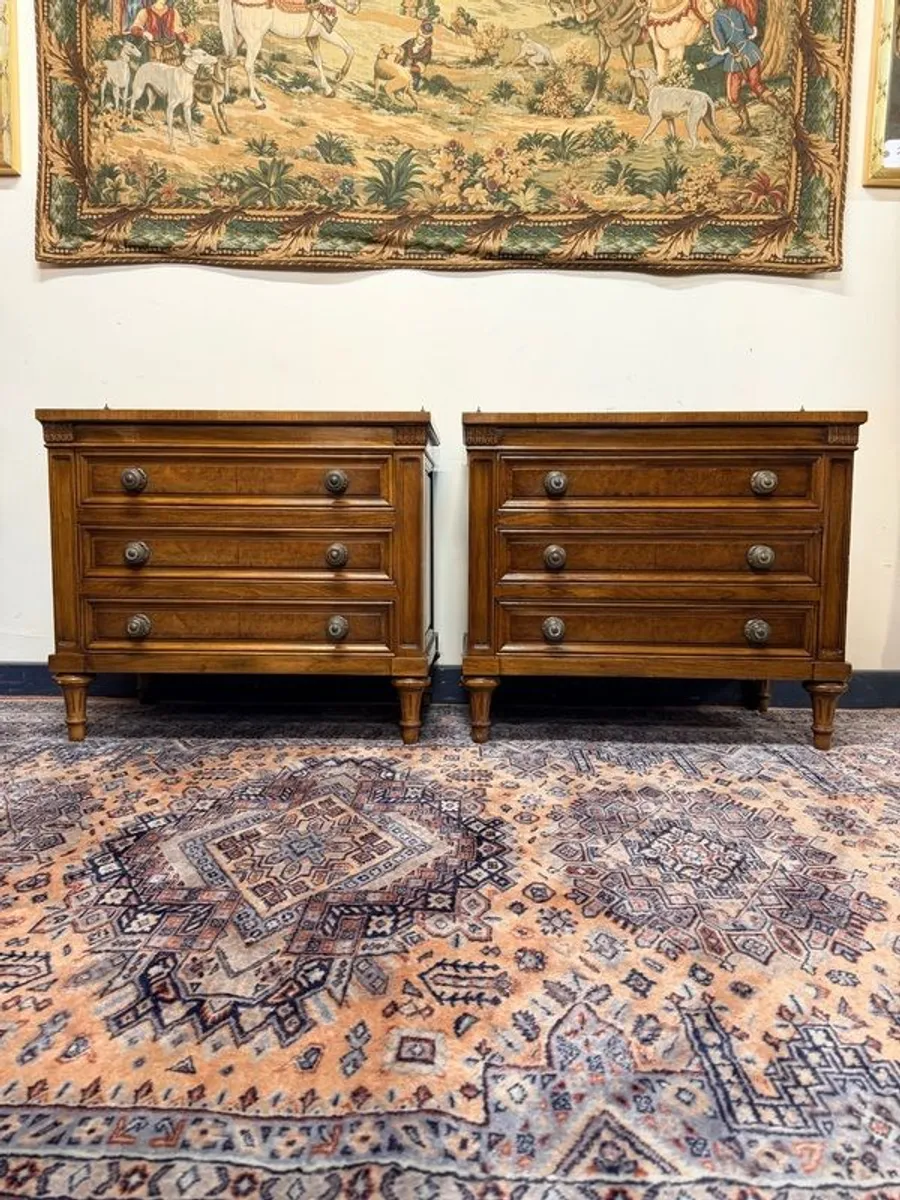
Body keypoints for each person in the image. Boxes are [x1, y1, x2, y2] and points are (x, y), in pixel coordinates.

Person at [696, 0, 777, 134]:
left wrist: (706, 64)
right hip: (751, 52)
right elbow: (750, 31)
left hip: (735, 60)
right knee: (757, 86)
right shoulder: (735, 12)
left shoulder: (715, 20)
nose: (704, 6)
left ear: (715, 4)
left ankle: (747, 125)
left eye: (707, 3)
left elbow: (721, 49)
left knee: (732, 98)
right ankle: (782, 109)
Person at [130, 0, 188, 64]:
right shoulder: (145, 12)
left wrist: (185, 43)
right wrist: (143, 33)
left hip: (171, 51)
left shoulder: (173, 12)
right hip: (154, 51)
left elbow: (178, 30)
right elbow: (134, 29)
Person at [398, 20, 433, 91]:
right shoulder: (410, 42)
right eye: (419, 36)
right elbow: (400, 50)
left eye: (423, 38)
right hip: (400, 69)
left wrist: (409, 69)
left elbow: (421, 68)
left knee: (408, 88)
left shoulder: (427, 52)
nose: (420, 39)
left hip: (412, 75)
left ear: (426, 39)